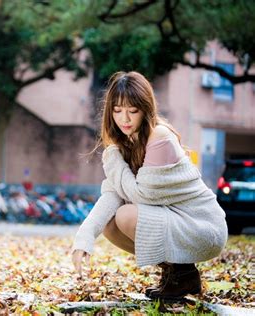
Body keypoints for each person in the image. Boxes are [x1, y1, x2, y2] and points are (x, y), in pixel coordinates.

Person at [71, 71, 228, 300]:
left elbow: (142, 195)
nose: (124, 119)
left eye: (132, 111)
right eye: (117, 111)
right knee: (110, 225)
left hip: (203, 227)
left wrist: (113, 158)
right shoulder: (127, 142)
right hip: (178, 222)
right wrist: (83, 238)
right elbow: (112, 194)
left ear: (145, 109)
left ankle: (182, 273)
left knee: (125, 215)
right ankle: (179, 275)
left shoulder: (159, 136)